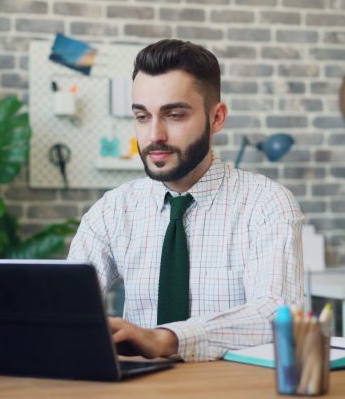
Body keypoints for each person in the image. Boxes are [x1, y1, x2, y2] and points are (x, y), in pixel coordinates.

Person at [68, 39, 304, 362]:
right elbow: (66, 307)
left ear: (217, 118)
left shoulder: (267, 205)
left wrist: (167, 339)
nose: (154, 136)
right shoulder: (111, 212)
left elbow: (277, 316)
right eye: (142, 117)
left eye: (174, 115)